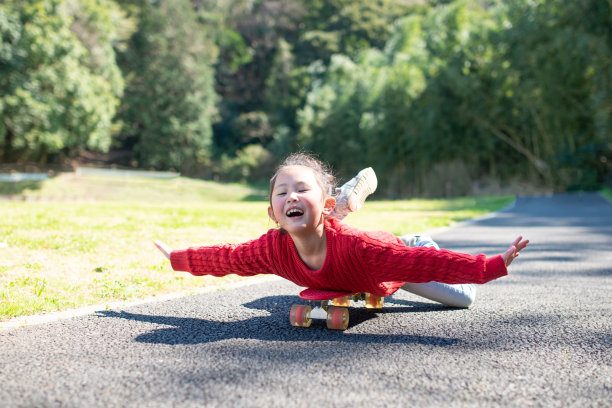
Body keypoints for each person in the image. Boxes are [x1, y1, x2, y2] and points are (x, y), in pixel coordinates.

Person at [155, 152, 528, 306]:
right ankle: (346, 200)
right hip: (341, 256)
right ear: (273, 214)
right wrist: (178, 258)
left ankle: (353, 208)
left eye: (302, 189)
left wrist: (491, 265)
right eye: (282, 193)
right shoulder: (272, 249)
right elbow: (229, 257)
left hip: (394, 261)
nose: (291, 196)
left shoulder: (366, 250)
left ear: (322, 203)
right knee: (325, 230)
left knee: (463, 300)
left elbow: (431, 265)